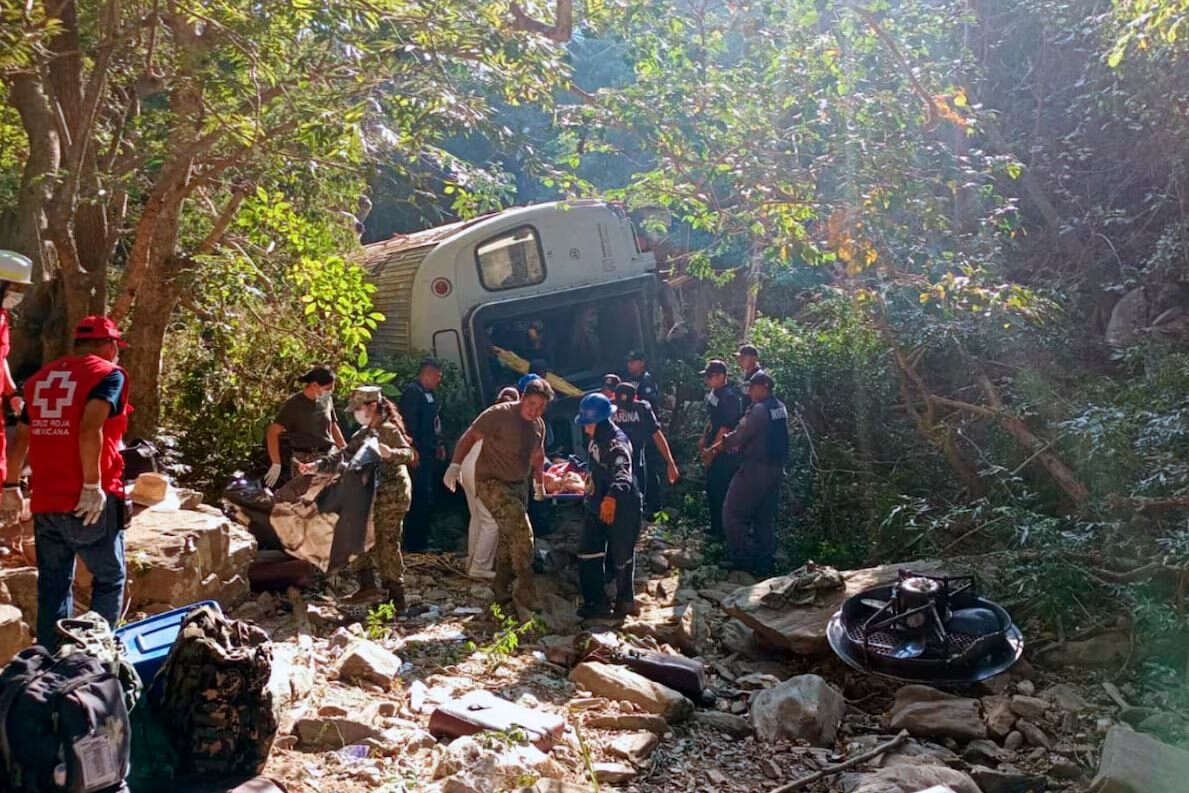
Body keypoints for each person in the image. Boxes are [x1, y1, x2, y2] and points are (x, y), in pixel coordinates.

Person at [1, 316, 130, 649]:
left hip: (46, 501)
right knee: (109, 579)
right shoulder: (108, 375)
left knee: (54, 586)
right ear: (110, 345)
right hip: (87, 502)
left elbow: (23, 437)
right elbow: (90, 429)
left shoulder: (41, 378)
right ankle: (93, 661)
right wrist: (91, 486)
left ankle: (50, 661)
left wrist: (11, 487)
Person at [443, 378, 553, 611]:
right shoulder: (498, 414)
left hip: (518, 484)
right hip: (491, 481)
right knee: (523, 533)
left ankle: (500, 587)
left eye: (541, 407)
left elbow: (538, 455)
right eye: (531, 404)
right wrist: (455, 465)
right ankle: (526, 590)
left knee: (507, 537)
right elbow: (470, 436)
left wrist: (539, 483)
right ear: (523, 398)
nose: (535, 411)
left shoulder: (538, 425)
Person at [302, 387, 415, 607]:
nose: (356, 413)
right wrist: (315, 466)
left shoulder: (389, 430)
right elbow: (342, 455)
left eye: (358, 409)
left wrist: (390, 453)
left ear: (373, 407)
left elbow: (408, 453)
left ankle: (396, 597)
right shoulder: (362, 434)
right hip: (369, 495)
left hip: (392, 495)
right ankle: (367, 586)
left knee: (386, 543)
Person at [707, 372, 789, 575]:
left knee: (732, 512)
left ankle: (741, 559)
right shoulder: (780, 407)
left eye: (752, 387)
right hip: (776, 469)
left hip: (756, 469)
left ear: (764, 387)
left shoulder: (759, 410)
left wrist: (716, 447)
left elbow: (738, 436)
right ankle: (764, 562)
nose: (749, 391)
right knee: (764, 516)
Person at [574, 393, 641, 619]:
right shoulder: (595, 439)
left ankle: (625, 601)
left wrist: (611, 498)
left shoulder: (617, 443)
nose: (585, 429)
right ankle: (596, 601)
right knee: (588, 553)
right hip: (596, 504)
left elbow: (623, 475)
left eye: (587, 424)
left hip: (622, 506)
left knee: (622, 554)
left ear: (598, 421)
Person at [461, 386, 520, 580]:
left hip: (466, 468)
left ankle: (471, 561)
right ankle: (480, 566)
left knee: (478, 517)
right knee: (492, 521)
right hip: (479, 472)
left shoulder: (487, 417)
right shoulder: (510, 422)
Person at [264, 365, 346, 488]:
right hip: (305, 460)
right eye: (328, 388)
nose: (330, 392)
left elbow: (333, 426)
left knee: (328, 500)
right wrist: (276, 463)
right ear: (314, 385)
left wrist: (346, 450)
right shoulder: (293, 404)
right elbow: (272, 432)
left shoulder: (326, 400)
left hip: (327, 457)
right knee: (303, 502)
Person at [400, 358, 445, 552]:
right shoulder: (413, 392)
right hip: (417, 453)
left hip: (429, 451)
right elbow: (408, 423)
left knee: (427, 495)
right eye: (437, 376)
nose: (438, 380)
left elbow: (433, 422)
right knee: (418, 495)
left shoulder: (429, 394)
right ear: (427, 373)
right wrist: (413, 449)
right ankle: (414, 543)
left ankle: (424, 538)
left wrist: (439, 444)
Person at [698, 359, 744, 539]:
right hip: (713, 442)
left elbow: (726, 427)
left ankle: (725, 531)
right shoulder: (714, 393)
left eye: (711, 376)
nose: (708, 380)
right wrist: (704, 438)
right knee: (712, 489)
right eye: (707, 377)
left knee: (721, 489)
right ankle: (716, 526)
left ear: (722, 376)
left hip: (726, 449)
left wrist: (713, 451)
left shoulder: (730, 397)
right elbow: (712, 418)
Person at [612, 382, 680, 502]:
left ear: (635, 398)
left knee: (637, 500)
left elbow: (657, 435)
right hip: (613, 462)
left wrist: (670, 462)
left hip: (636, 461)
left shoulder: (642, 409)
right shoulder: (608, 409)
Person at [0, 251, 32, 497]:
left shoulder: (2, 316)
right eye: (15, 287)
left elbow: (1, 358)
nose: (18, 294)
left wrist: (12, 393)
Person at [625, 350, 665, 517]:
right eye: (629, 362)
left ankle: (654, 505)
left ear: (642, 362)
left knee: (649, 466)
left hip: (648, 432)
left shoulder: (646, 381)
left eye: (633, 362)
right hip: (636, 433)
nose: (629, 365)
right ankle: (641, 502)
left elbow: (649, 407)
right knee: (638, 468)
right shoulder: (632, 381)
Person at [737, 344, 766, 410]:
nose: (740, 361)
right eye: (739, 358)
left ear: (754, 359)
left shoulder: (759, 377)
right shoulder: (747, 374)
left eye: (743, 358)